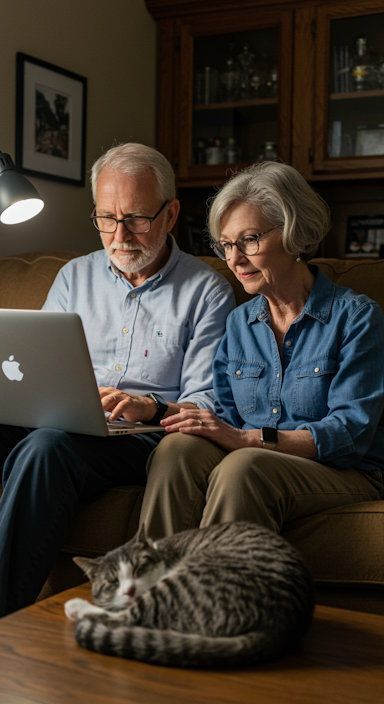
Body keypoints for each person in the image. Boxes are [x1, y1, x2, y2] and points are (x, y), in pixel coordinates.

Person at [0, 142, 235, 616]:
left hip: (143, 437)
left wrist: (147, 406)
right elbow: (37, 365)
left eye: (136, 218)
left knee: (46, 446)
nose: (119, 234)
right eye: (106, 218)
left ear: (170, 214)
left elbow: (207, 401)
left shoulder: (206, 291)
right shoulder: (73, 277)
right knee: (32, 432)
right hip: (67, 420)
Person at [139, 160, 384, 539]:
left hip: (346, 469)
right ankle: (155, 586)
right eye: (225, 246)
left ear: (293, 232)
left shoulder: (356, 318)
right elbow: (223, 416)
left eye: (249, 240)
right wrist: (166, 413)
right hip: (254, 454)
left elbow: (349, 434)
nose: (234, 260)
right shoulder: (240, 323)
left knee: (243, 466)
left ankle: (218, 596)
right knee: (177, 449)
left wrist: (249, 440)